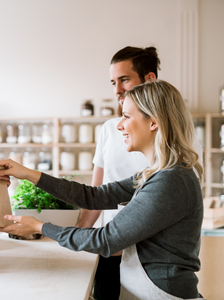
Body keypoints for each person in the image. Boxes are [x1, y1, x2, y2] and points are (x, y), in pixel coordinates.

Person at [0, 80, 204, 300]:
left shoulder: (170, 181)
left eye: (127, 116)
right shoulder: (156, 174)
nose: (119, 125)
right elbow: (94, 196)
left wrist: (38, 226)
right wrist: (28, 174)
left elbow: (106, 240)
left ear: (153, 122)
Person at [76, 46, 203, 300]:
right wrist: (79, 240)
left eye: (124, 79)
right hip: (106, 251)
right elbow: (97, 194)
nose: (117, 89)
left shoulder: (180, 141)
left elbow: (176, 205)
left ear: (149, 80)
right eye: (113, 81)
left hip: (146, 260)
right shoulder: (110, 129)